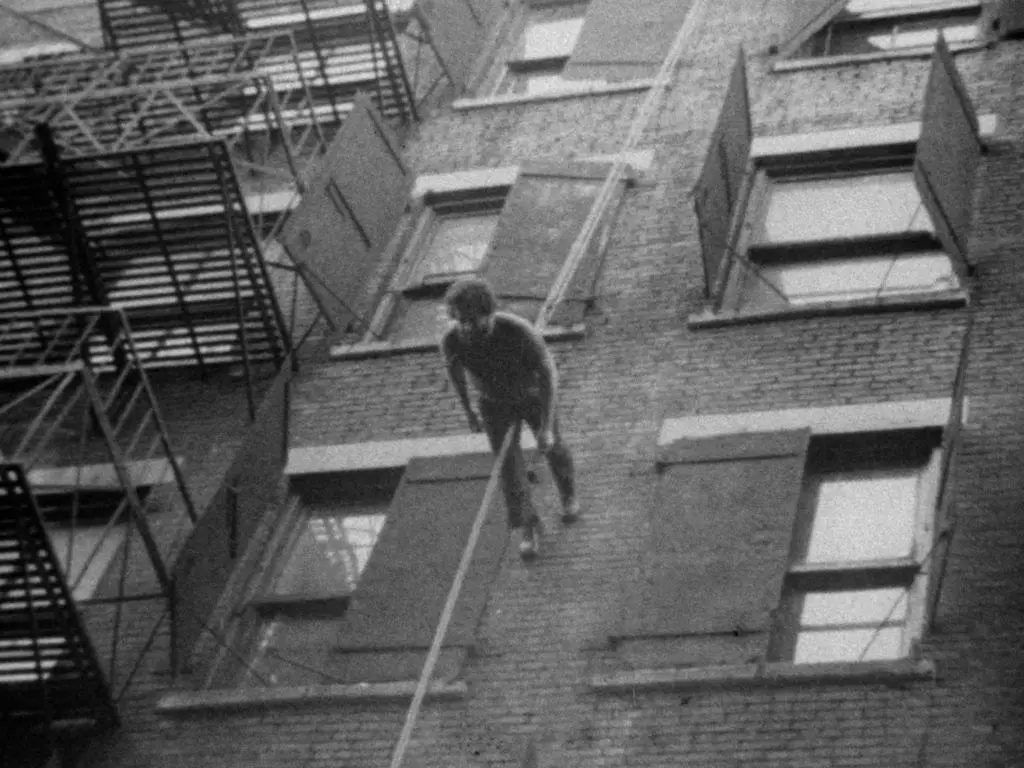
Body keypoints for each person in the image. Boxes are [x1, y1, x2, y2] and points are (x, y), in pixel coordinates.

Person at [440, 277, 579, 559]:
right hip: (493, 403)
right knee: (508, 467)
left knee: (553, 447)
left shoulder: (517, 330)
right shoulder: (452, 340)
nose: (466, 327)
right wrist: (469, 412)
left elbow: (549, 375)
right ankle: (528, 525)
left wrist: (547, 428)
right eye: (460, 321)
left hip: (531, 395)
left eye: (472, 320)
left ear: (488, 313)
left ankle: (568, 494)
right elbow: (455, 376)